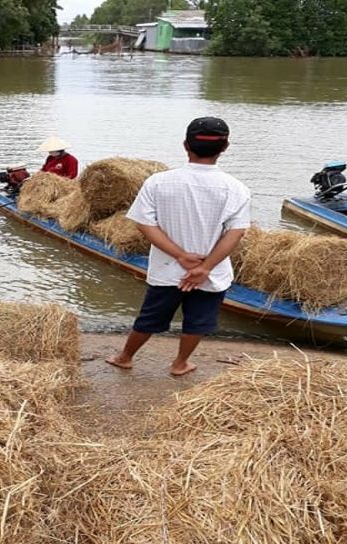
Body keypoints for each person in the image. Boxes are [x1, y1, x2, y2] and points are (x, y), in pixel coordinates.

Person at [107, 117, 250, 377]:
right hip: (210, 273)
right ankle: (179, 364)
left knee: (150, 317)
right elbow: (235, 234)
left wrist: (181, 256)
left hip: (167, 269)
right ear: (225, 147)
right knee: (198, 321)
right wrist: (204, 268)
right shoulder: (236, 188)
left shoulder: (159, 182)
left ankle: (125, 357)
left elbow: (144, 224)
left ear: (186, 145)